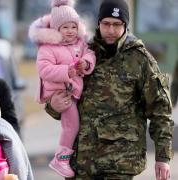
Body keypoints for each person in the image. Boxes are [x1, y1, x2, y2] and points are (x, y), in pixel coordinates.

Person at [30, 0, 174, 179]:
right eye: (106, 24)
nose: (111, 30)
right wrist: (53, 105)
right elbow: (60, 91)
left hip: (119, 163)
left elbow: (160, 110)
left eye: (117, 25)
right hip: (81, 164)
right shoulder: (81, 51)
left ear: (125, 25)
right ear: (98, 23)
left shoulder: (139, 58)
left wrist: (163, 157)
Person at [29, 0, 95, 178]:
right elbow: (43, 69)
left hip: (72, 89)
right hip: (60, 91)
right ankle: (61, 159)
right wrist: (67, 71)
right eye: (65, 27)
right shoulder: (48, 48)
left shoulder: (80, 43)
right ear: (57, 30)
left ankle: (63, 158)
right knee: (71, 125)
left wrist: (86, 63)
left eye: (73, 26)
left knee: (73, 123)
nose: (70, 31)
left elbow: (90, 53)